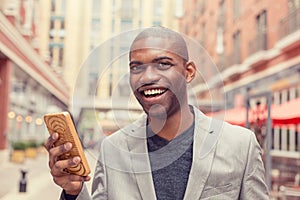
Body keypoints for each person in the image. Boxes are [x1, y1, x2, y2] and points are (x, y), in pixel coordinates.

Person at [44, 26, 269, 199]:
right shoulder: (113, 150)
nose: (147, 76)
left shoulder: (241, 145)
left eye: (163, 64)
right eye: (136, 67)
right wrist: (73, 192)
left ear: (188, 72)